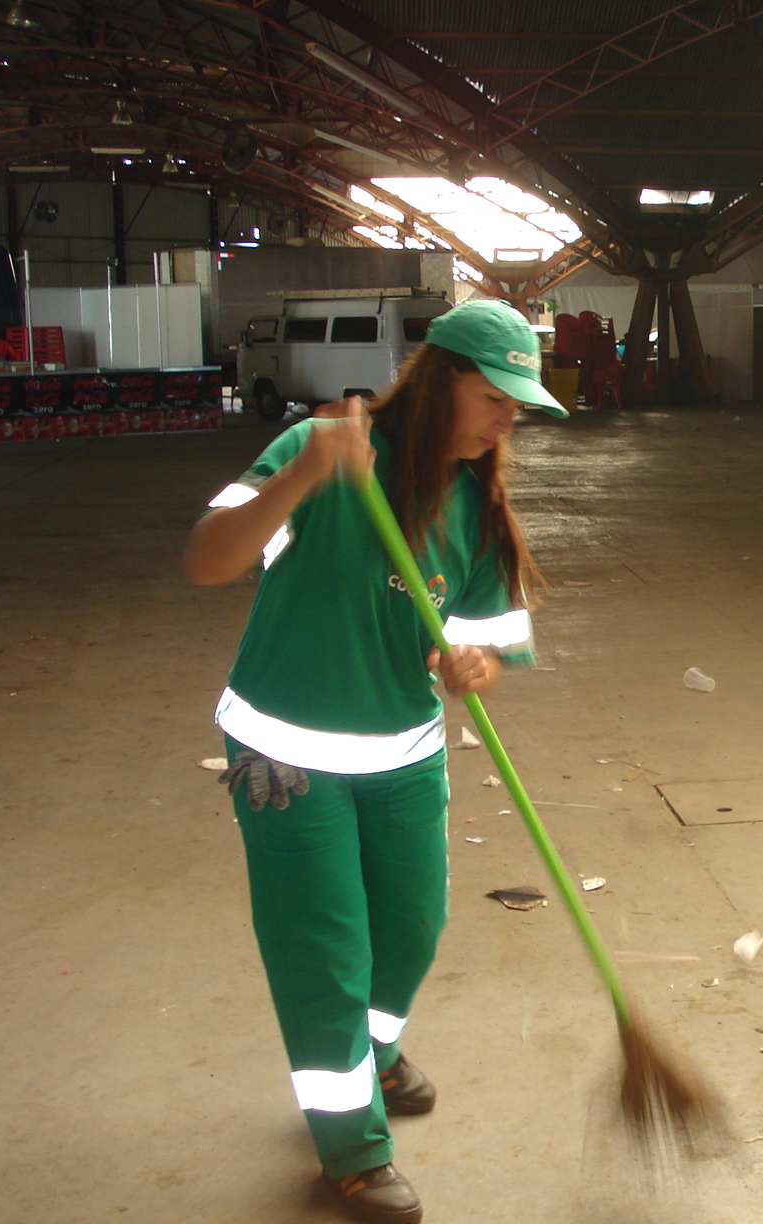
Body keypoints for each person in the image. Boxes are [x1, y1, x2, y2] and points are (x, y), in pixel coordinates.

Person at [184, 299, 569, 1224]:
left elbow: (479, 646)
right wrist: (306, 473)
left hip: (402, 752)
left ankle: (371, 1053)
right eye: (495, 397)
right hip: (285, 757)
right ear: (442, 381)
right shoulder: (325, 456)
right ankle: (350, 1149)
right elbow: (208, 560)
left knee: (411, 926)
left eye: (519, 403)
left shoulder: (475, 505)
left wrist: (472, 665)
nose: (508, 418)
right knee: (325, 953)